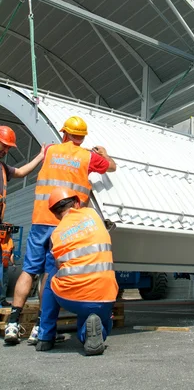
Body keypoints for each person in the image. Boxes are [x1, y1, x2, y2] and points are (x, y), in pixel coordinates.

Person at [5, 116, 116, 345]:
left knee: (28, 270)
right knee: (50, 273)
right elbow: (112, 168)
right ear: (82, 137)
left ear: (64, 133)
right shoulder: (88, 156)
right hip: (63, 225)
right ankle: (40, 328)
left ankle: (13, 323)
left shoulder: (51, 151)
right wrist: (104, 154)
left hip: (40, 221)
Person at [36, 187, 118, 356]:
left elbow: (57, 266)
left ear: (55, 213)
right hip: (106, 296)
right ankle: (94, 331)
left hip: (74, 298)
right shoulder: (94, 215)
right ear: (77, 203)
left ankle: (45, 336)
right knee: (97, 322)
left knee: (51, 277)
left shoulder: (56, 234)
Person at [0, 125, 45, 304]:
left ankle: (1, 299)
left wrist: (40, 156)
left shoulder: (3, 167)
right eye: (4, 145)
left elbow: (20, 172)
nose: (6, 150)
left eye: (9, 147)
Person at [0, 224, 15, 306]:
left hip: (4, 266)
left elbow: (11, 254)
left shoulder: (10, 241)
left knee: (4, 283)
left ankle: (2, 300)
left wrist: (13, 264)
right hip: (0, 265)